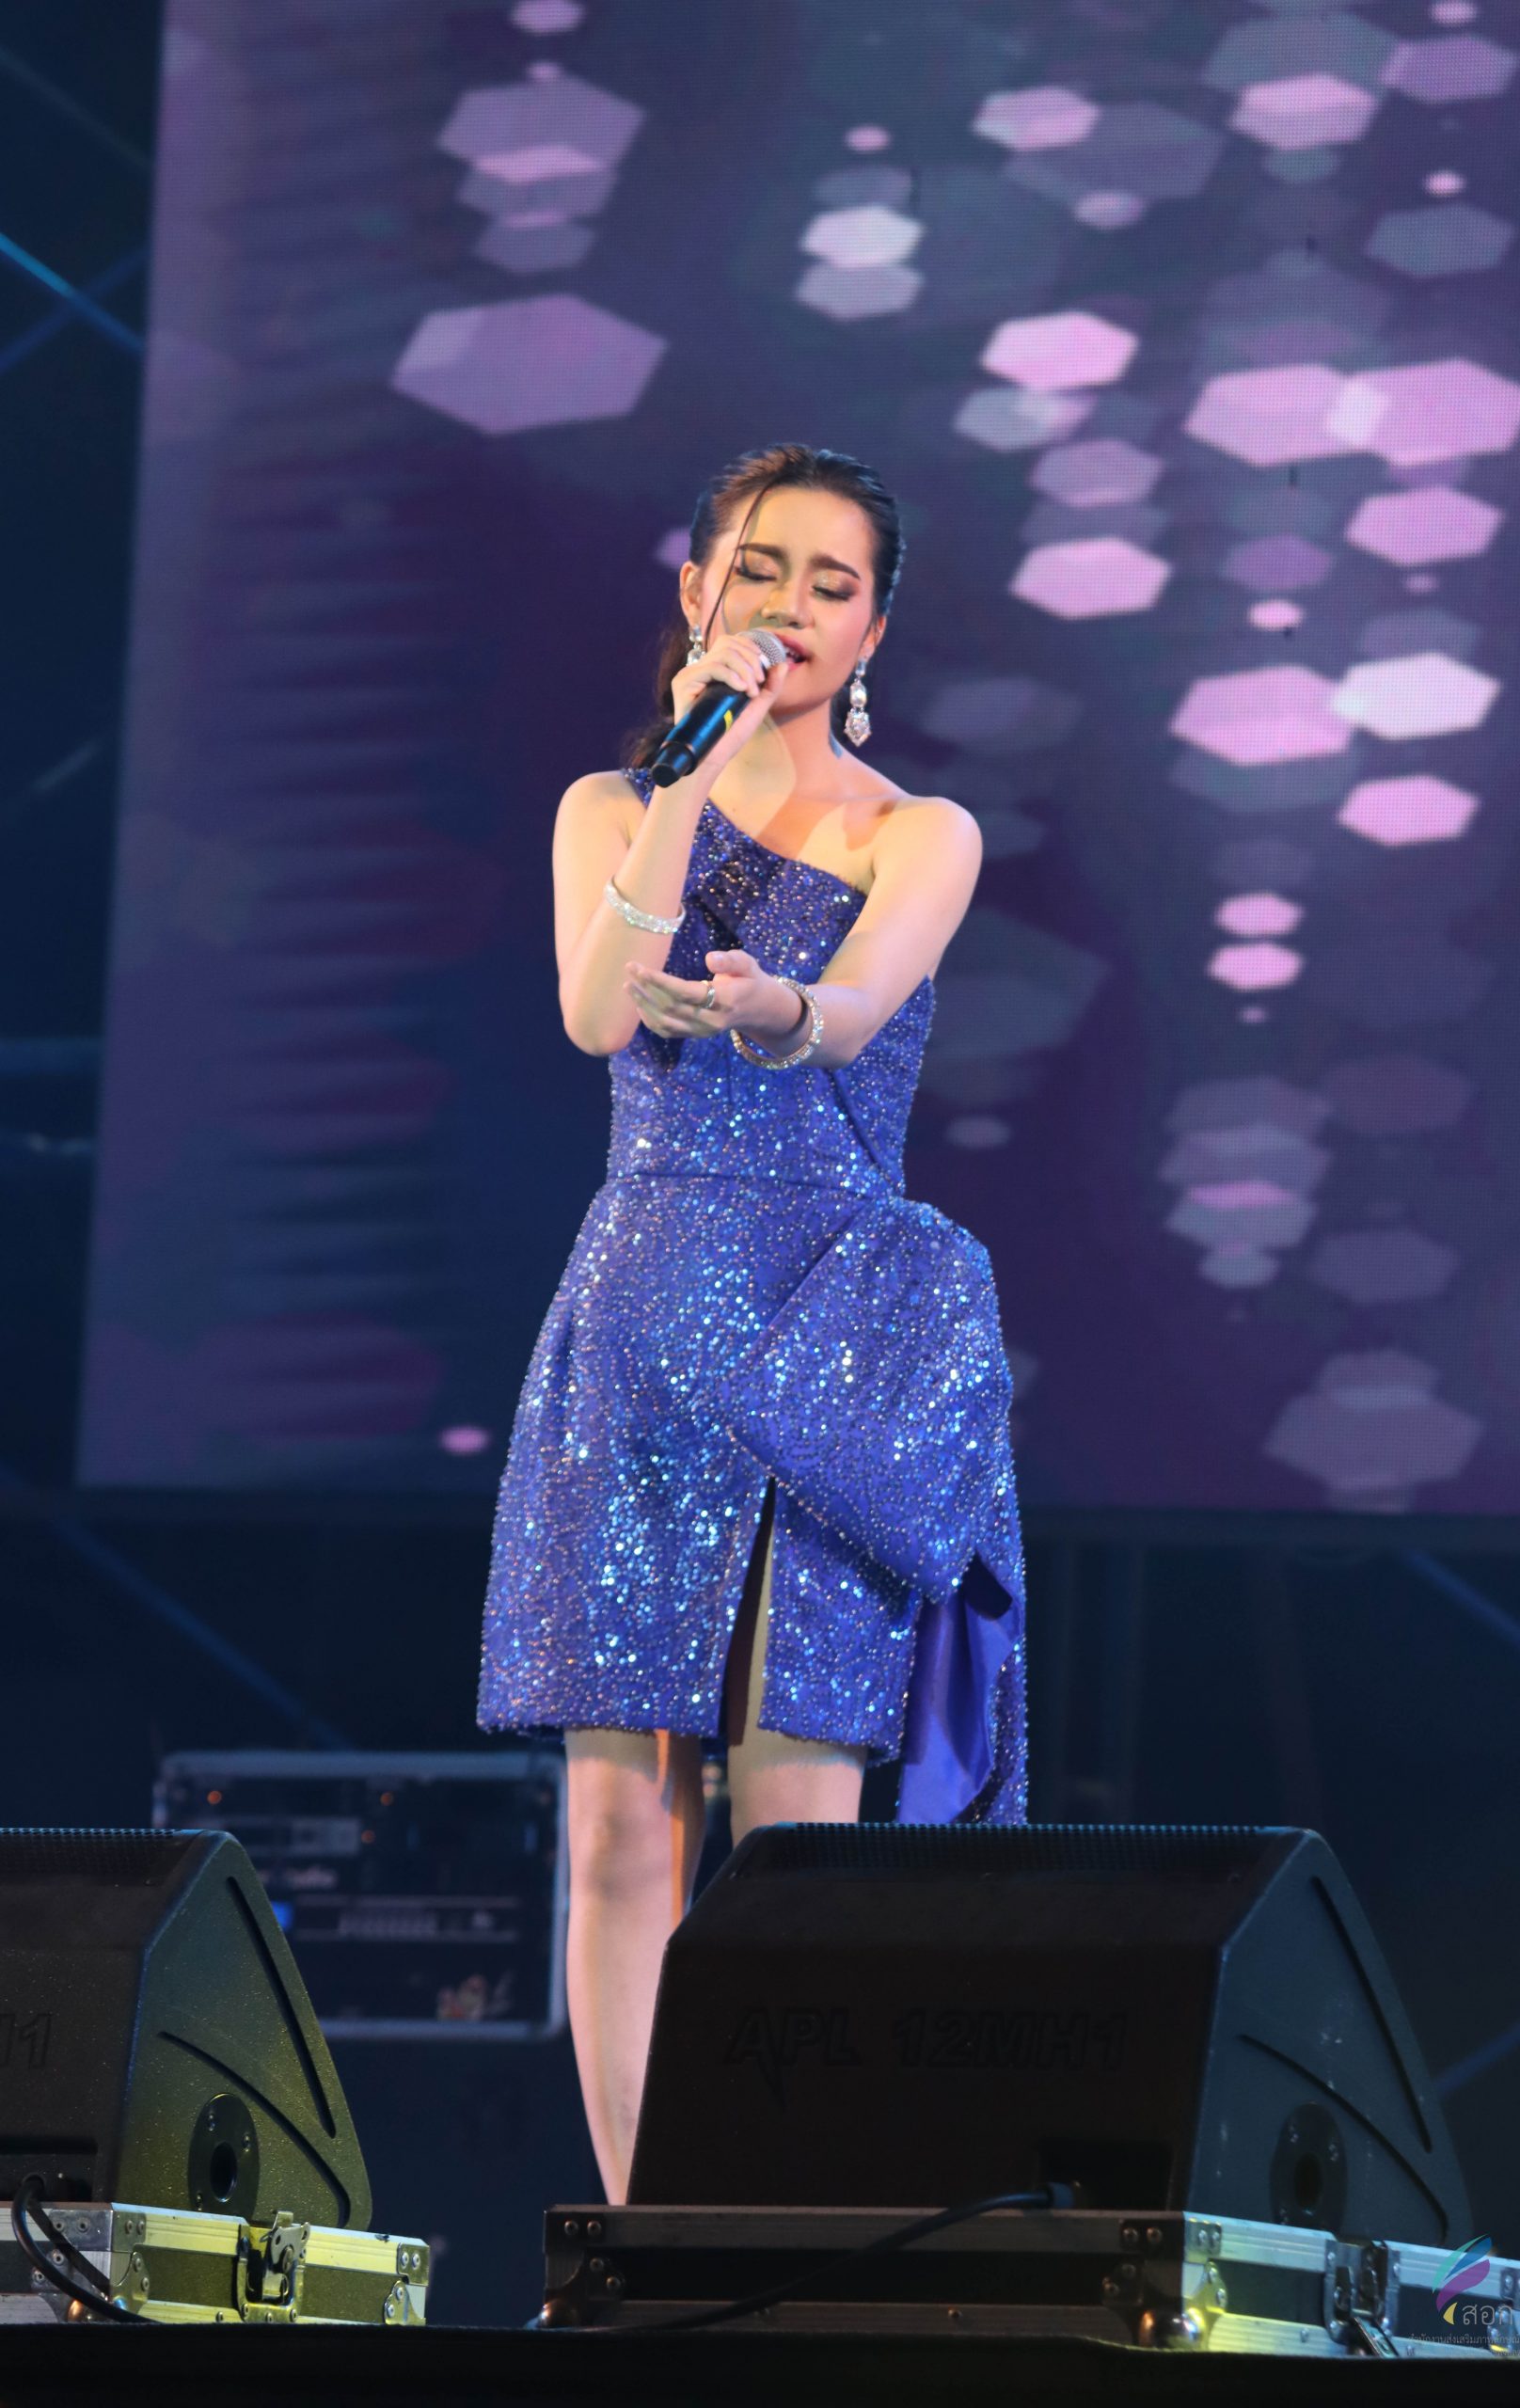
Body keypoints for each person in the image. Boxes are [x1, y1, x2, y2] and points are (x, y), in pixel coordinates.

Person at [478, 441, 1026, 2202]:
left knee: (798, 1827)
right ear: (699, 590)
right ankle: (640, 2244)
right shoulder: (609, 806)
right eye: (762, 569)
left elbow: (849, 1015)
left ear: (874, 632)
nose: (790, 606)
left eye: (830, 584)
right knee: (619, 1827)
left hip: (829, 1331)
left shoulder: (918, 833)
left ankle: (778, 2230)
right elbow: (594, 1012)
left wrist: (779, 1005)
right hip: (640, 1321)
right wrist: (687, 777)